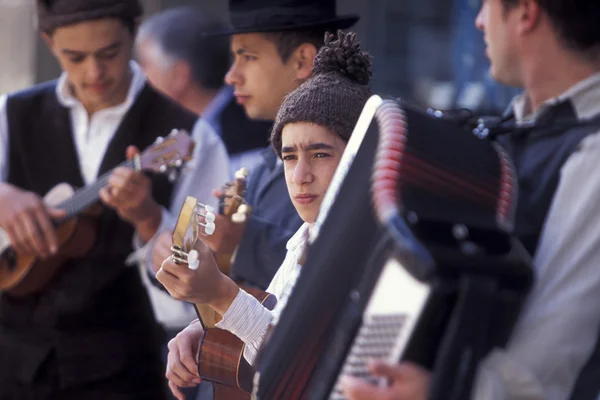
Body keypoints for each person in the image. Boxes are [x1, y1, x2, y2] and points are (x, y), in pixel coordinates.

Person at [340, 0, 600, 399]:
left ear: (526, 13)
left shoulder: (591, 158)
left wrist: (440, 392)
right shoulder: (509, 135)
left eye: (486, 5)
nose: (479, 21)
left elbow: (547, 365)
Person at [0, 0, 228, 398]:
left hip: (122, 375)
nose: (94, 72)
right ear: (48, 42)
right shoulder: (12, 113)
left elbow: (199, 294)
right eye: (75, 57)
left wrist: (148, 218)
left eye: (110, 53)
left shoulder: (190, 137)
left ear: (134, 31)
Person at [156, 31, 373, 399]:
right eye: (289, 157)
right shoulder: (303, 238)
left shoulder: (372, 248)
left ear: (359, 157)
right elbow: (275, 322)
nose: (300, 175)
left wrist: (221, 296)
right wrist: (209, 327)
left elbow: (307, 368)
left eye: (320, 154)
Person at [149, 0, 359, 295]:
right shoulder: (266, 165)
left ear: (301, 61)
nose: (231, 76)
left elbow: (343, 279)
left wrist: (240, 242)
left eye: (247, 57)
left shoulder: (359, 151)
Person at [136, 6, 272, 177]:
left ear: (179, 76)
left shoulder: (257, 138)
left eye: (145, 65)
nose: (139, 74)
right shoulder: (157, 131)